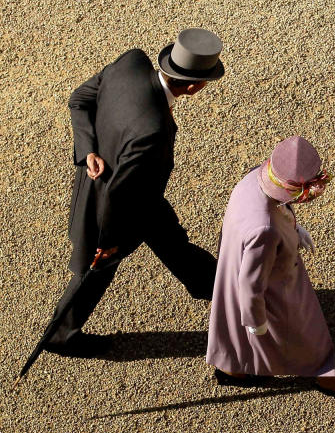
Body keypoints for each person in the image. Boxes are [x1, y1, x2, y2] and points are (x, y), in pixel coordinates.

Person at [44, 28, 225, 357]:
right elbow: (119, 196)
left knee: (173, 241)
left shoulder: (131, 63)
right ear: (196, 86)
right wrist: (108, 242)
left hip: (137, 192)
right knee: (97, 268)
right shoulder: (153, 130)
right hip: (121, 205)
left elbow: (80, 99)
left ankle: (215, 286)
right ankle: (60, 336)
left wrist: (89, 151)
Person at [206, 136, 335, 400]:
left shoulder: (256, 176)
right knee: (305, 332)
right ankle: (326, 377)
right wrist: (257, 322)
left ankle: (231, 369)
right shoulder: (265, 231)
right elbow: (251, 286)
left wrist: (293, 228)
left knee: (231, 324)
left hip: (234, 261)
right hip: (277, 285)